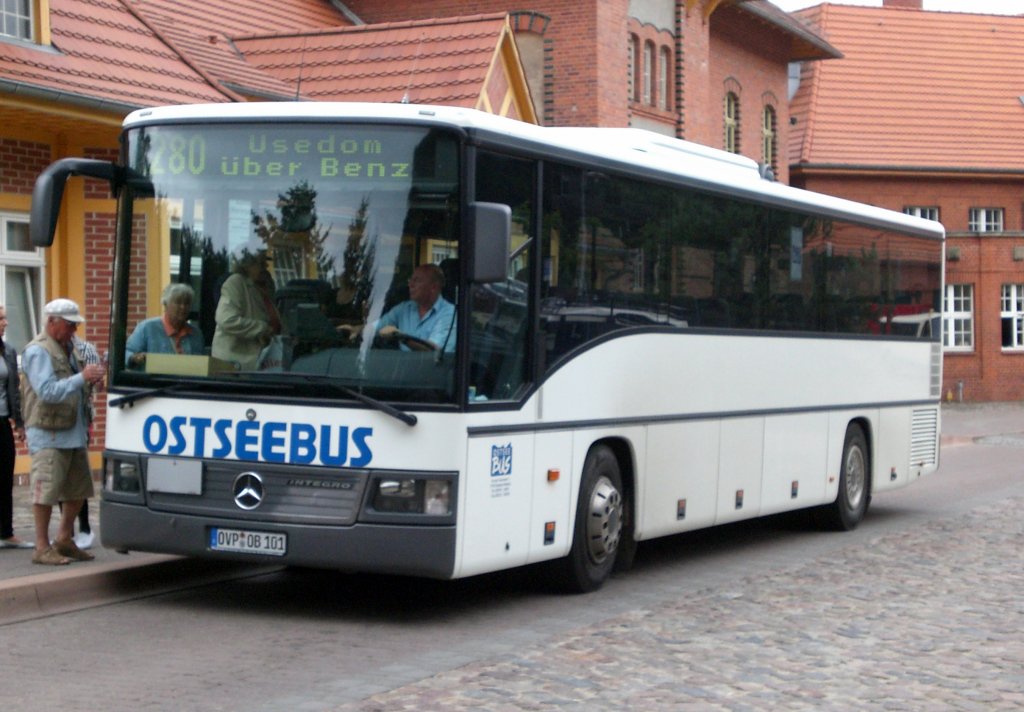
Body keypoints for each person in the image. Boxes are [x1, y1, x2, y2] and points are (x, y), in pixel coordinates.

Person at [22, 298, 105, 565]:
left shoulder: (70, 348)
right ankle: (42, 546)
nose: (73, 331)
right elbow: (46, 391)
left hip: (72, 429)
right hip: (49, 432)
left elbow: (76, 386)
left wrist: (93, 380)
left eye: (75, 326)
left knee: (79, 488)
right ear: (51, 322)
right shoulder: (38, 351)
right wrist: (82, 377)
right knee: (45, 489)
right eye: (69, 325)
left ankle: (64, 539)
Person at [341, 263, 456, 352]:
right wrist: (358, 329)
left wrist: (402, 337)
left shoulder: (449, 314)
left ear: (433, 287)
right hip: (402, 373)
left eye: (417, 281)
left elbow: (435, 351)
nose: (410, 285)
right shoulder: (404, 308)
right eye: (411, 280)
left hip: (432, 377)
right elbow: (379, 325)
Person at [212, 249, 281, 370]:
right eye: (261, 264)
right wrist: (262, 328)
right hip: (236, 367)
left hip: (265, 363)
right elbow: (227, 320)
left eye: (266, 264)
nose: (265, 268)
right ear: (247, 265)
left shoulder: (266, 288)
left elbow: (274, 319)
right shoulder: (236, 283)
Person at [0, 305, 29, 549]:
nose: (5, 322)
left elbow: (15, 391)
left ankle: (6, 532)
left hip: (2, 421)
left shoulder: (8, 351)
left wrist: (19, 423)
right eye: (1, 318)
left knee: (5, 476)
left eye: (6, 318)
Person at [125, 283, 205, 368]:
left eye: (187, 303)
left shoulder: (196, 334)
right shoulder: (147, 328)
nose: (183, 307)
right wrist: (134, 358)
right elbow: (126, 353)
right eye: (178, 302)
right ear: (165, 304)